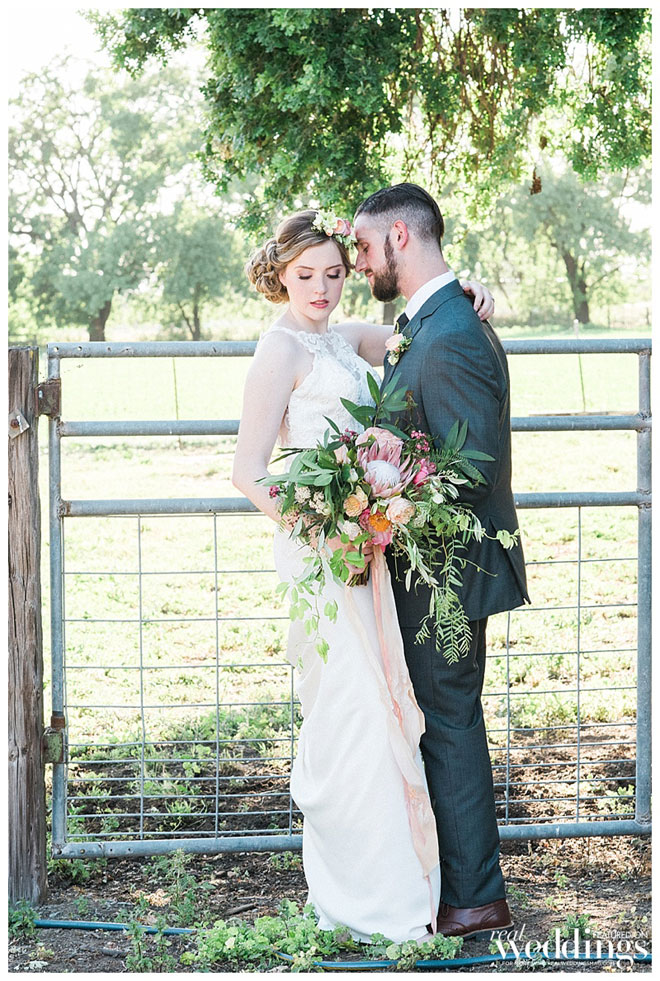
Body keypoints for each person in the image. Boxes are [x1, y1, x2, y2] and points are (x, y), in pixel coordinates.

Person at [231, 208, 495, 943]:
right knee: (351, 712)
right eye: (305, 275)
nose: (321, 287)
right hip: (325, 553)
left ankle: (403, 888)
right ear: (280, 274)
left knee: (385, 711)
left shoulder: (343, 339)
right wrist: (327, 530)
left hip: (367, 548)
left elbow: (420, 329)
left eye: (335, 273)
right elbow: (248, 472)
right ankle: (362, 902)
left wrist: (468, 290)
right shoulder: (279, 350)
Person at [352, 183, 530, 939]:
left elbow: (472, 468)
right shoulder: (433, 319)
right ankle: (457, 887)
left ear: (400, 236)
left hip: (448, 573)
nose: (360, 262)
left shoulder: (451, 331)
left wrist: (389, 500)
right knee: (443, 720)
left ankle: (475, 898)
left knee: (449, 722)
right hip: (431, 567)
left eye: (364, 246)